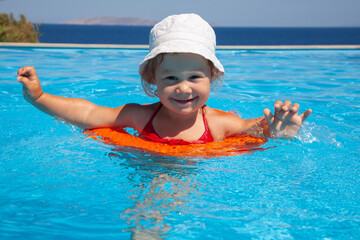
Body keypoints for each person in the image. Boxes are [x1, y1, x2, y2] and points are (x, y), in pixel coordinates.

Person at [17, 13, 312, 145]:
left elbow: (256, 129)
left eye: (195, 76)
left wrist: (279, 130)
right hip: (147, 169)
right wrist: (40, 98)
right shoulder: (137, 116)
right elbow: (88, 113)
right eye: (170, 77)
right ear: (152, 81)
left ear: (212, 77)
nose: (183, 87)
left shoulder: (220, 124)